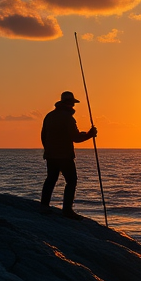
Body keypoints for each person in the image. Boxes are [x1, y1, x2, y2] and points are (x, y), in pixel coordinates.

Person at [40, 91, 97, 219]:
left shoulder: (49, 116)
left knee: (50, 179)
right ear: (69, 103)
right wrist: (89, 134)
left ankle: (43, 206)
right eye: (72, 103)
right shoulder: (68, 118)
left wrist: (48, 149)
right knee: (71, 181)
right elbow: (75, 137)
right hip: (65, 156)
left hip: (50, 155)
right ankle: (67, 211)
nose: (73, 106)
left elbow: (43, 136)